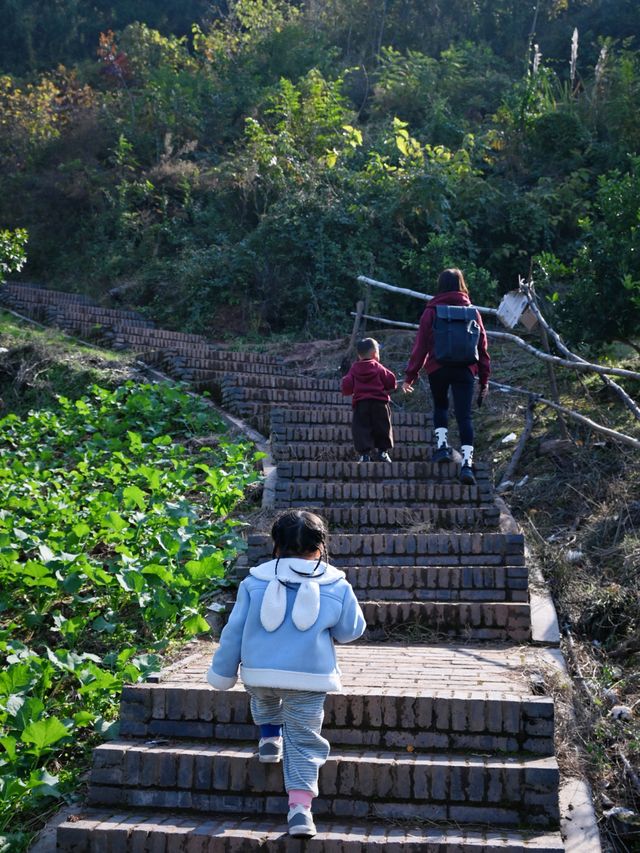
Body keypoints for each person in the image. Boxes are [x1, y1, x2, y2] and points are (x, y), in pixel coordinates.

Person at [206, 510, 366, 838]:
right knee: (305, 740)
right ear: (320, 548)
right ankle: (300, 809)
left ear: (275, 547)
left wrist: (223, 671)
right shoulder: (335, 582)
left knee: (264, 699)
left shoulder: (254, 580)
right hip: (309, 676)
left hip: (259, 671)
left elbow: (233, 630)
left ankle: (268, 737)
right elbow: (351, 630)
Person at [402, 268, 490, 485]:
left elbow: (421, 346)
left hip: (437, 367)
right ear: (462, 284)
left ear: (440, 285)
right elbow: (483, 348)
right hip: (466, 369)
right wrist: (484, 380)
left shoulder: (431, 311)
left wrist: (410, 376)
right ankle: (467, 464)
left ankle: (442, 447)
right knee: (464, 416)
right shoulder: (473, 312)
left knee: (440, 406)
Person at [341, 337, 397, 462]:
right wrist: (391, 386)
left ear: (359, 355)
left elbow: (347, 383)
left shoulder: (354, 368)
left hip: (361, 404)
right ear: (374, 354)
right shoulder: (378, 367)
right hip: (380, 403)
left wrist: (346, 389)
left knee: (361, 428)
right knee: (383, 426)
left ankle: (365, 455)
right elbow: (391, 380)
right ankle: (383, 453)